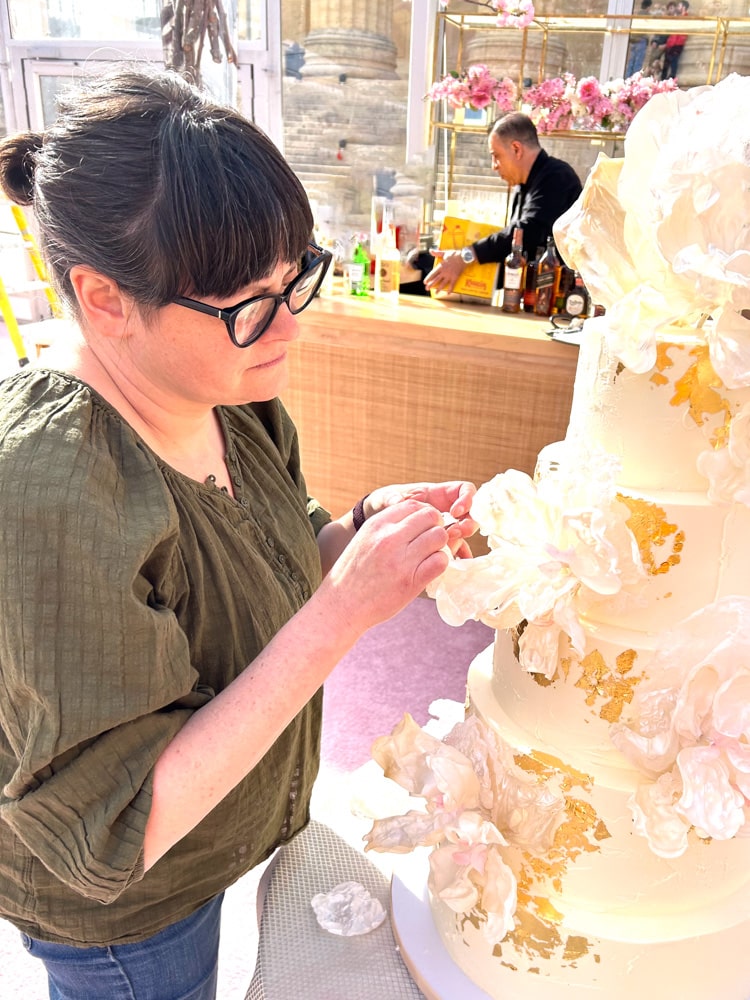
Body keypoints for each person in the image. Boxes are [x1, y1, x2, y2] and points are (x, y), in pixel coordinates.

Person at [0, 65, 478, 1000]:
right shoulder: (45, 488)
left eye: (294, 281)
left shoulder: (228, 393)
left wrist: (359, 534)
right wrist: (343, 613)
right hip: (132, 915)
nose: (288, 329)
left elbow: (276, 559)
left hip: (230, 832)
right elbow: (120, 823)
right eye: (249, 304)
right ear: (104, 299)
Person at [424, 112, 582, 294]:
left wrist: (467, 255)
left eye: (496, 156)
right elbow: (511, 248)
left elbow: (527, 232)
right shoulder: (523, 184)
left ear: (516, 149)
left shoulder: (557, 177)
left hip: (556, 296)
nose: (494, 165)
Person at [625, 0, 653, 78]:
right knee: (638, 64)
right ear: (648, 7)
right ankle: (634, 80)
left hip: (634, 41)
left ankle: (627, 78)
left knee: (631, 62)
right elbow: (647, 29)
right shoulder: (647, 15)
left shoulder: (637, 14)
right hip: (641, 40)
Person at [662, 0, 689, 80]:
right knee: (666, 64)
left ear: (683, 7)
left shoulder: (686, 18)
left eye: (679, 6)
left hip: (678, 43)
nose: (677, 8)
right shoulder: (677, 17)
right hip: (671, 43)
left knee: (674, 63)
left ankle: (671, 79)